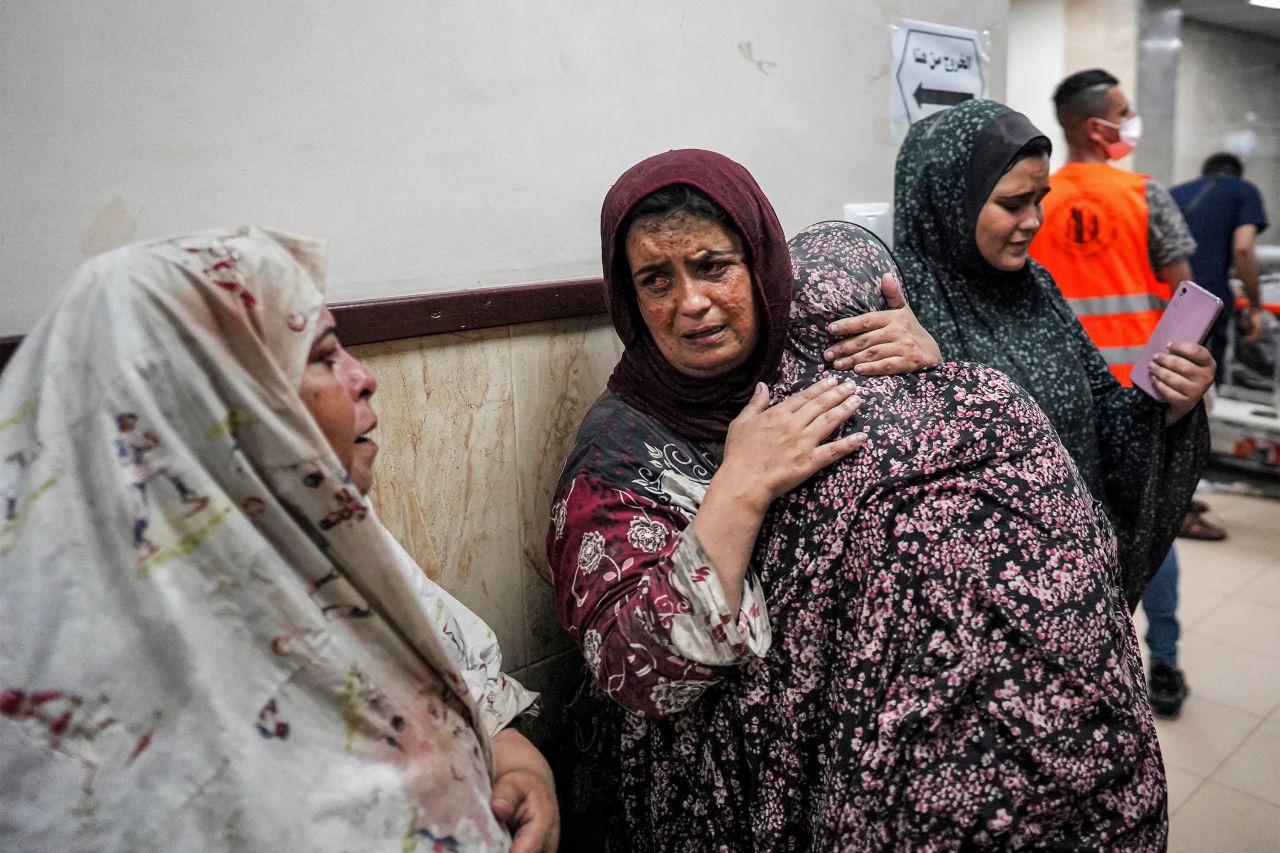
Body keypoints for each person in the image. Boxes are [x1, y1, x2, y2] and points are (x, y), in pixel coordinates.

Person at [548, 149, 1165, 850]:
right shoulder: (620, 451)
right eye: (656, 280)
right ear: (628, 299)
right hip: (734, 772)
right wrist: (740, 488)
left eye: (713, 266)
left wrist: (927, 364)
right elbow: (637, 671)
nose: (690, 302)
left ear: (759, 265)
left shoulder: (812, 348)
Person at [0, 227, 558, 852]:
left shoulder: (326, 539)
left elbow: (474, 696)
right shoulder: (88, 697)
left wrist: (521, 772)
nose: (363, 378)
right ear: (218, 408)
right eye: (322, 358)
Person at [896, 96, 1212, 720]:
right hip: (971, 643)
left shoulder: (1033, 287)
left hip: (1077, 604)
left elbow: (1100, 413)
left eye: (1038, 198)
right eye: (1013, 203)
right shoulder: (901, 306)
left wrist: (1167, 403)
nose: (1033, 220)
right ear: (947, 202)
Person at [1171, 151, 1270, 383]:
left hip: (1165, 297)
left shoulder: (1174, 193)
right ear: (1237, 175)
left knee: (1166, 375)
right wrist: (1255, 307)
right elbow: (1243, 249)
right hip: (1208, 300)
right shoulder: (1244, 191)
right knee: (1204, 382)